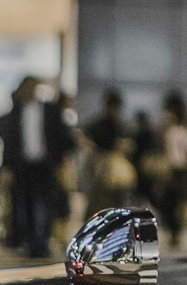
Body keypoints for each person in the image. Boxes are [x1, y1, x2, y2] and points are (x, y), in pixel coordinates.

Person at [0, 77, 73, 258]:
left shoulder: (51, 111)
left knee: (44, 205)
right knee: (23, 206)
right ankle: (31, 241)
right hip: (22, 167)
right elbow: (9, 142)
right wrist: (7, 166)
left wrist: (59, 161)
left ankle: (42, 241)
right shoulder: (14, 114)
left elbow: (63, 138)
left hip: (44, 166)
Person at [81, 88, 137, 217]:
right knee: (99, 199)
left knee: (114, 199)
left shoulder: (120, 125)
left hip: (113, 170)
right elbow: (85, 138)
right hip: (100, 168)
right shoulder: (100, 124)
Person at [156, 90, 187, 249]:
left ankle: (177, 232)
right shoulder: (164, 129)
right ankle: (172, 231)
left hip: (181, 171)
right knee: (166, 202)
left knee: (179, 203)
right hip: (167, 170)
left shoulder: (184, 129)